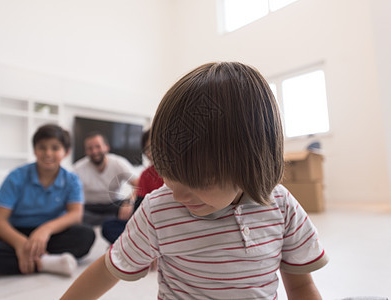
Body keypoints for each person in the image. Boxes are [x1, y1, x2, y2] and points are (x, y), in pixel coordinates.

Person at [60, 62, 329, 300]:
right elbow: (108, 270)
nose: (177, 194)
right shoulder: (158, 209)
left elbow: (301, 287)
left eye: (199, 181)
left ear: (251, 164)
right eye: (169, 174)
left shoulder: (281, 206)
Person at [0, 124, 95, 278]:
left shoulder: (72, 180)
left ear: (66, 152)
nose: (48, 153)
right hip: (13, 233)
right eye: (42, 147)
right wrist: (20, 244)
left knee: (85, 235)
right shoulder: (16, 176)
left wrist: (45, 230)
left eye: (55, 148)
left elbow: (75, 214)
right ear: (34, 150)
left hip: (48, 235)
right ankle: (46, 262)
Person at [101, 129, 164, 244]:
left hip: (166, 224)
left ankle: (132, 245)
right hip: (147, 225)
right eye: (147, 149)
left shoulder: (177, 173)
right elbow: (139, 208)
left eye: (155, 147)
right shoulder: (146, 175)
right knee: (109, 225)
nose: (151, 153)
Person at [73, 132, 139, 226]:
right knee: (75, 213)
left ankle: (105, 221)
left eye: (98, 146)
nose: (94, 151)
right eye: (90, 148)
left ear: (106, 147)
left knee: (135, 208)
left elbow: (140, 184)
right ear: (86, 151)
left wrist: (129, 202)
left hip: (114, 204)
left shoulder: (118, 163)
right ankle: (110, 220)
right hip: (89, 206)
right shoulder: (78, 168)